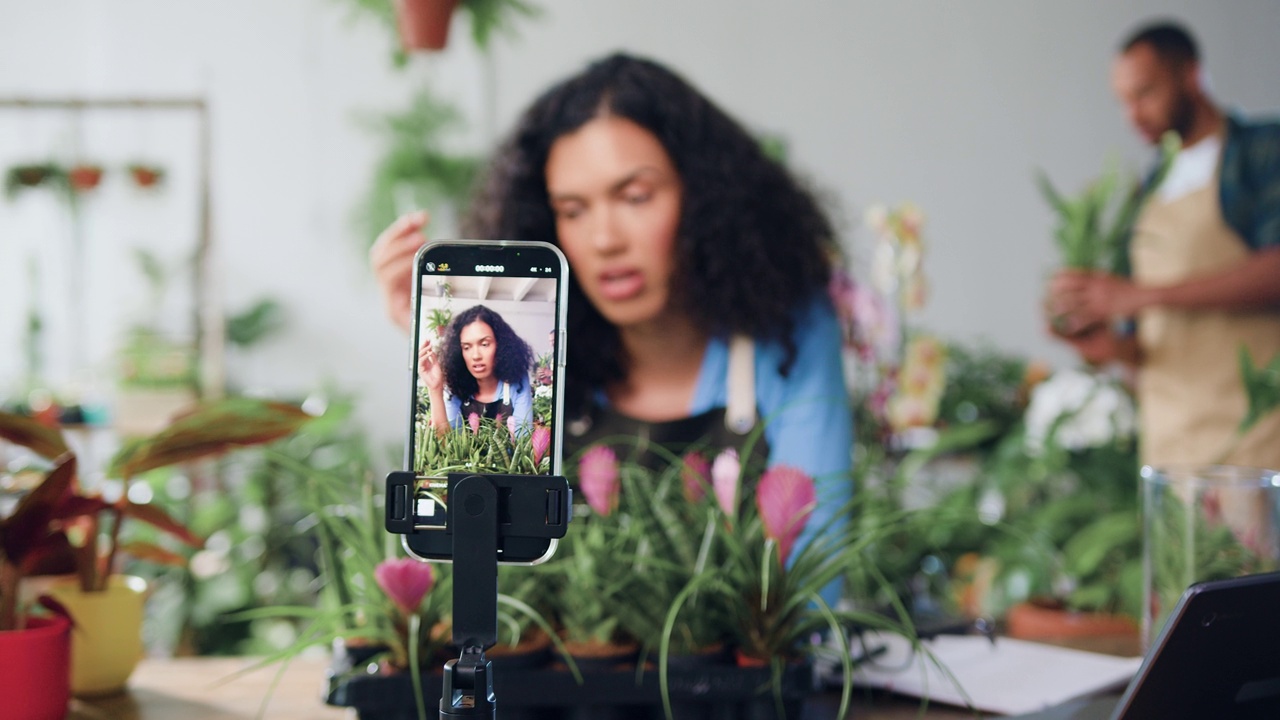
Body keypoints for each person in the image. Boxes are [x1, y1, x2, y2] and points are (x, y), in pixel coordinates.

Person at [373, 53, 853, 560]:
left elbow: (813, 573)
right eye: (572, 211)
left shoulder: (789, 335)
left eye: (636, 196)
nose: (604, 240)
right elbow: (485, 560)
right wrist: (442, 366)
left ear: (706, 198)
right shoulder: (533, 358)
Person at [1046, 20, 1280, 469]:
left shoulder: (1259, 152)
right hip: (1168, 448)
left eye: (1145, 93)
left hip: (1255, 447)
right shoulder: (1147, 191)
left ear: (1191, 76)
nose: (1133, 114)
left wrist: (1141, 296)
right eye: (1123, 102)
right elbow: (1145, 344)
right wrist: (1105, 344)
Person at [419, 304, 535, 433]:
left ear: (501, 345)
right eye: (467, 347)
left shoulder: (517, 382)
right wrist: (435, 389)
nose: (476, 356)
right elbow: (445, 444)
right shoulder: (454, 385)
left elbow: (523, 439)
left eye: (484, 344)